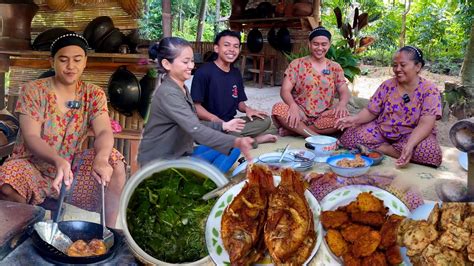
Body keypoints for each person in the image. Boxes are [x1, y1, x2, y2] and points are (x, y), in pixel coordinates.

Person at [0, 33, 126, 227]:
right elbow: (31, 135)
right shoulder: (33, 90)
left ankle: (109, 231)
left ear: (85, 62)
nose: (70, 66)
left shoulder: (93, 94)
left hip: (71, 171)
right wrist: (58, 160)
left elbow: (103, 132)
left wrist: (101, 159)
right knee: (7, 178)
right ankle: (25, 230)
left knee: (115, 163)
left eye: (77, 60)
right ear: (52, 61)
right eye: (63, 59)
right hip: (32, 167)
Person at [138, 37, 254, 171]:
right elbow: (196, 130)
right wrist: (236, 140)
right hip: (165, 163)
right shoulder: (169, 94)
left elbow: (194, 124)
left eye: (192, 61)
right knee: (233, 144)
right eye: (185, 62)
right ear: (166, 64)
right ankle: (208, 183)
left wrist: (224, 125)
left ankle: (206, 176)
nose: (191, 66)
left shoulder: (181, 87)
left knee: (231, 146)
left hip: (182, 153)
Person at [336, 46, 442, 168]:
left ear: (417, 66)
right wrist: (354, 119)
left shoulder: (430, 90)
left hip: (412, 134)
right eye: (395, 65)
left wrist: (410, 145)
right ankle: (393, 149)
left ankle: (385, 149)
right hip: (382, 131)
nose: (397, 69)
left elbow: (426, 124)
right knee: (349, 137)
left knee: (431, 153)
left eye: (403, 65)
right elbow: (371, 111)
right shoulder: (387, 85)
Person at [191, 30, 277, 146]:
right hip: (209, 124)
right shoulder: (203, 72)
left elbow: (239, 102)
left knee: (265, 120)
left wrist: (248, 110)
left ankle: (235, 139)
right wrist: (216, 120)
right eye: (226, 45)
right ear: (216, 48)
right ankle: (254, 140)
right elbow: (196, 107)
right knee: (220, 134)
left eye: (236, 46)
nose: (232, 49)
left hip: (231, 122)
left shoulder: (235, 73)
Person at [271, 26, 351, 137]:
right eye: (315, 44)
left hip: (324, 115)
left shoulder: (334, 67)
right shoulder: (297, 64)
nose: (319, 48)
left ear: (329, 44)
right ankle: (315, 136)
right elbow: (284, 90)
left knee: (344, 117)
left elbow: (344, 90)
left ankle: (296, 131)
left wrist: (342, 104)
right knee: (279, 108)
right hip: (299, 114)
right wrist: (293, 106)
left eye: (324, 44)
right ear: (309, 44)